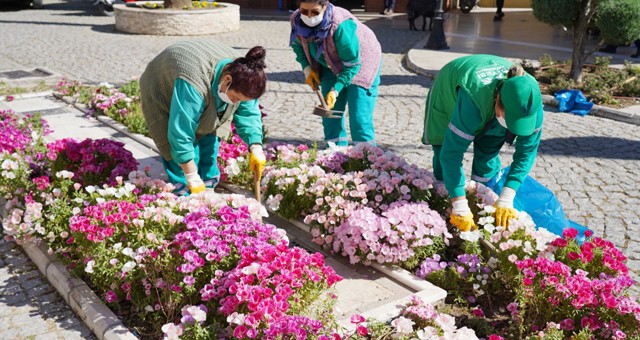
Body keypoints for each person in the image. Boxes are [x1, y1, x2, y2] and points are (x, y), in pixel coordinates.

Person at [422, 54, 544, 232]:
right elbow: (451, 154)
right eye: (510, 120)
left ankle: (480, 200)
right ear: (498, 102)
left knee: (487, 154)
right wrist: (459, 205)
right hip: (453, 85)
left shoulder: (531, 103)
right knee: (442, 150)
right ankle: (442, 202)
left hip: (493, 103)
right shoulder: (474, 98)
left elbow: (526, 153)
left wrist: (507, 197)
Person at [140, 40, 267, 195]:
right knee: (180, 162)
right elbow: (181, 132)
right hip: (163, 84)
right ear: (227, 80)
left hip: (207, 77)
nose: (236, 103)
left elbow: (248, 113)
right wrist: (191, 176)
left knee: (210, 142)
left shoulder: (246, 74)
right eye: (235, 97)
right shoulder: (193, 81)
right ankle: (184, 195)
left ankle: (208, 187)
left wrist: (255, 147)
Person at [290, 0, 382, 147]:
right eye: (304, 11)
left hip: (361, 61)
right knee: (329, 115)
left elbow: (352, 65)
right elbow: (297, 45)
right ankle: (336, 156)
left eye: (314, 12)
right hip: (328, 63)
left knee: (359, 117)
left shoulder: (340, 25)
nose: (309, 16)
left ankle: (367, 159)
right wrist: (307, 69)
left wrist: (336, 90)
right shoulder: (296, 20)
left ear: (325, 6)